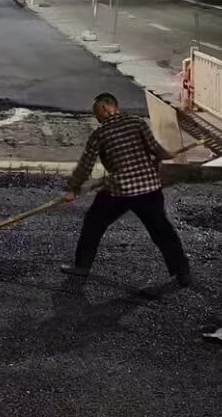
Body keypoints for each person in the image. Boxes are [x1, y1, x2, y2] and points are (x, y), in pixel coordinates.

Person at [60, 92, 191, 285]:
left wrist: (73, 188)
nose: (97, 117)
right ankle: (182, 272)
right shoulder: (137, 123)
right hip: (149, 189)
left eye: (96, 112)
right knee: (161, 230)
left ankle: (82, 266)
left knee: (94, 223)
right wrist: (166, 154)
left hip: (120, 191)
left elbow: (85, 166)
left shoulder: (100, 134)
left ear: (105, 109)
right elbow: (155, 149)